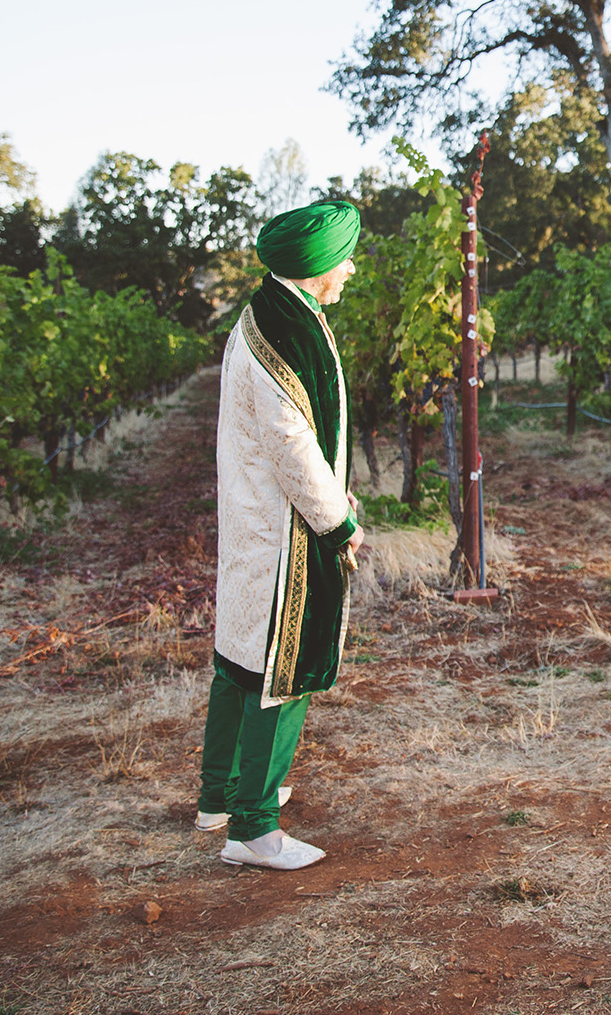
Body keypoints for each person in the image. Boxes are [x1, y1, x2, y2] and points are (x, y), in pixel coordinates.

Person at [194, 200, 365, 869]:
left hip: (254, 521)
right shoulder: (287, 332)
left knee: (239, 661)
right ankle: (254, 828)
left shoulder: (265, 311)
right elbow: (294, 447)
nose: (350, 267)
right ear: (318, 263)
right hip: (286, 533)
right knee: (280, 668)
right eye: (344, 256)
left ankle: (219, 797)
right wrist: (338, 521)